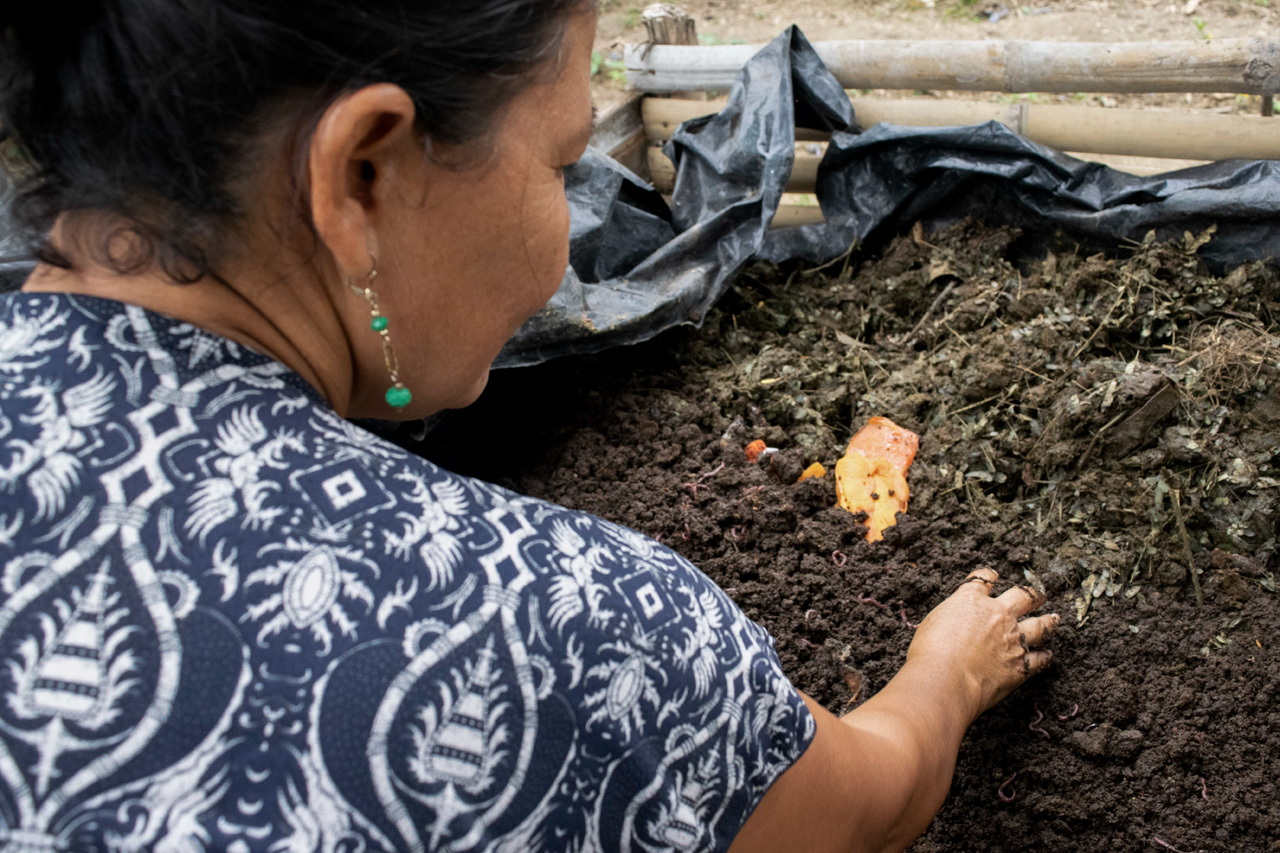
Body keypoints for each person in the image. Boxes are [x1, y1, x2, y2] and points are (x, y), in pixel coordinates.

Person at [0, 3, 1058, 851]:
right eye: (560, 166)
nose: (571, 234)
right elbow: (865, 805)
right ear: (363, 170)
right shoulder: (565, 628)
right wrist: (946, 675)